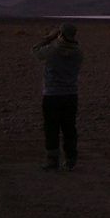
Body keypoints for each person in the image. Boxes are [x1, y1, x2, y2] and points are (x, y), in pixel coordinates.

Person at [32, 22, 84, 171]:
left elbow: (35, 51)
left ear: (60, 34)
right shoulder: (78, 52)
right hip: (71, 95)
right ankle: (70, 160)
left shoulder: (52, 51)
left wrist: (49, 38)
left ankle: (52, 160)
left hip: (52, 95)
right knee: (69, 128)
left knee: (51, 128)